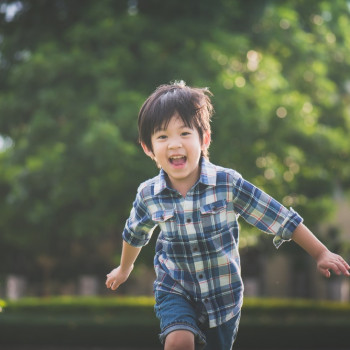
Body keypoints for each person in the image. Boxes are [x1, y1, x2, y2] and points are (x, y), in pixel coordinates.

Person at [106, 81, 350, 350]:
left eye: (185, 133)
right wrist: (124, 268)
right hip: (174, 287)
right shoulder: (148, 194)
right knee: (178, 340)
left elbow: (278, 216)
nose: (174, 144)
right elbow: (134, 233)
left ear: (205, 139)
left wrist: (320, 253)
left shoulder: (227, 183)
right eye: (162, 137)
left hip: (223, 297)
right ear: (148, 148)